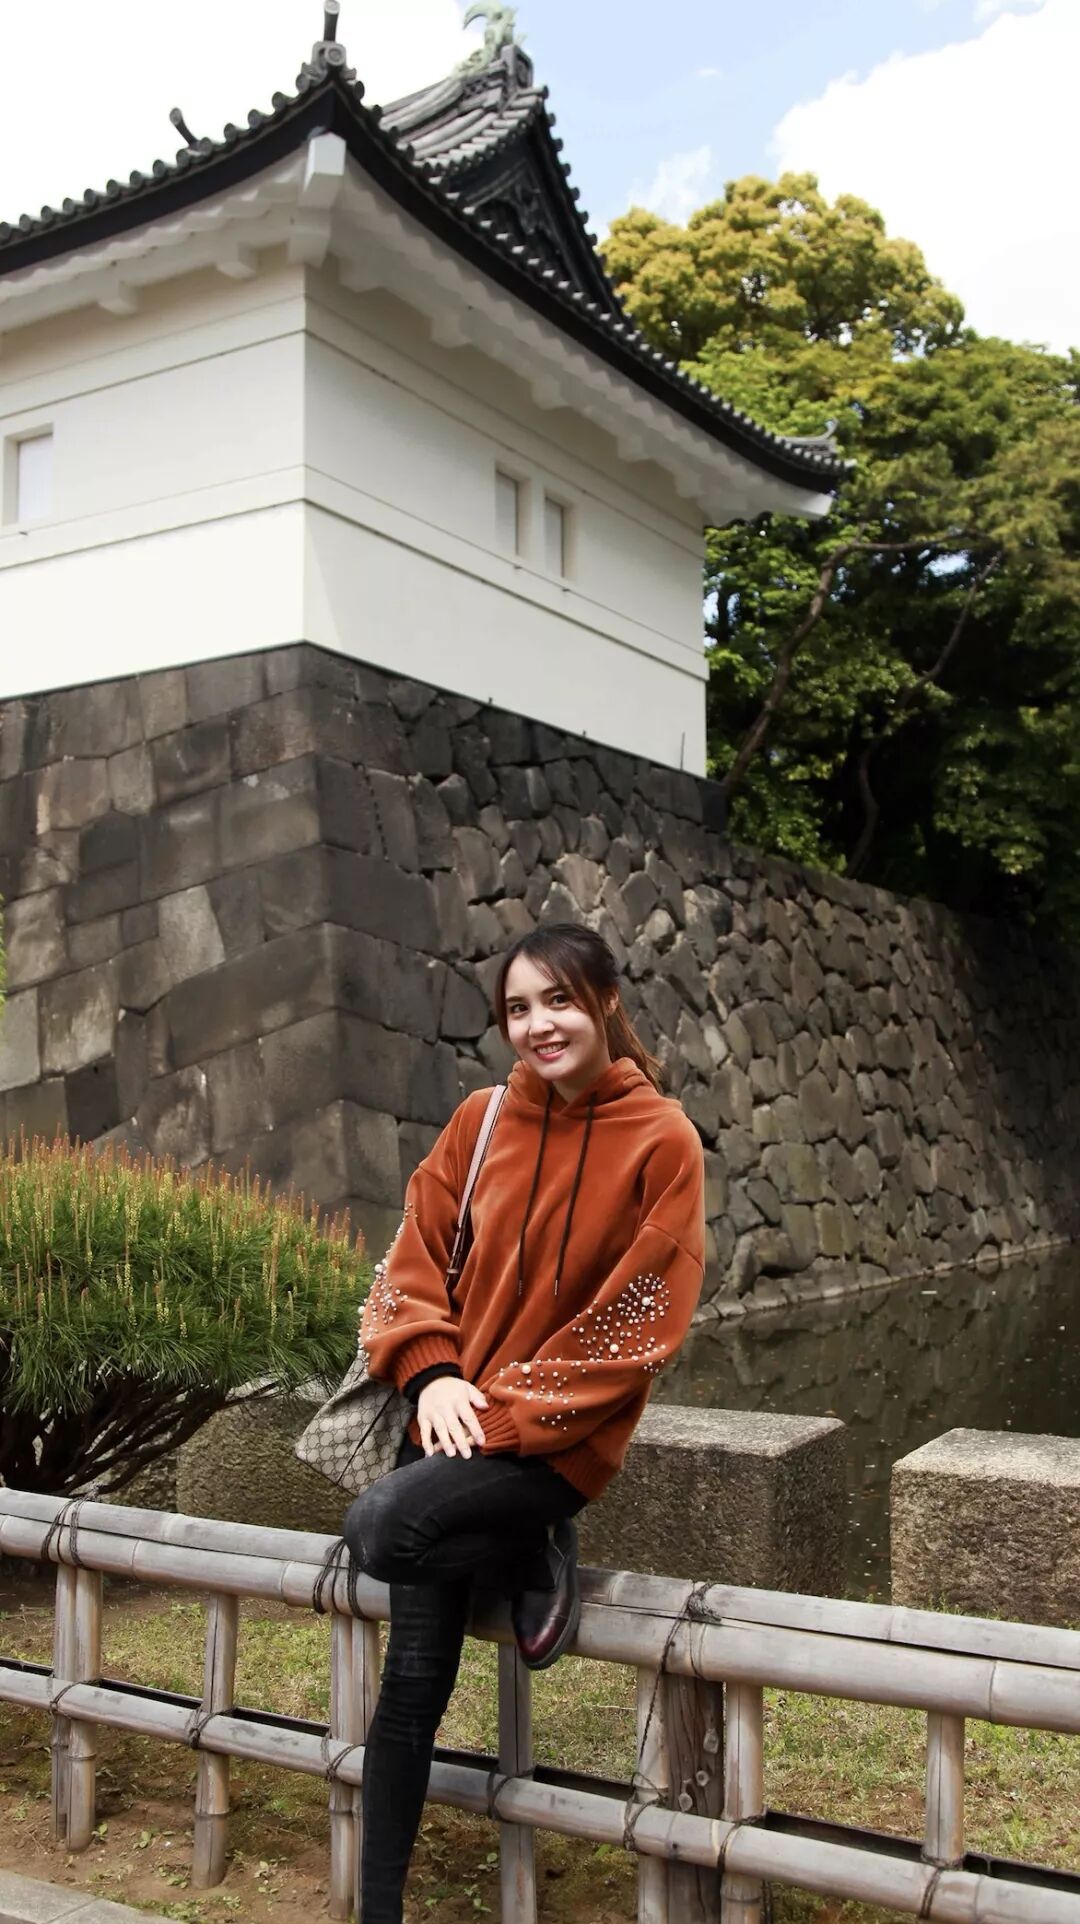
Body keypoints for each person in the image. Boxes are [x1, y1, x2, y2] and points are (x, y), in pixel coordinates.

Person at [343, 921, 706, 1924]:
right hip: (446, 1423)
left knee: (379, 1528)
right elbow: (410, 1259)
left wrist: (503, 1419)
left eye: (558, 1001)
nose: (539, 1024)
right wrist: (431, 1376)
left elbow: (638, 1323)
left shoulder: (664, 1141)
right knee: (412, 1681)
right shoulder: (483, 1118)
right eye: (517, 1008)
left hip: (550, 1446)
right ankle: (378, 1914)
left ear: (605, 1001)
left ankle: (532, 1530)